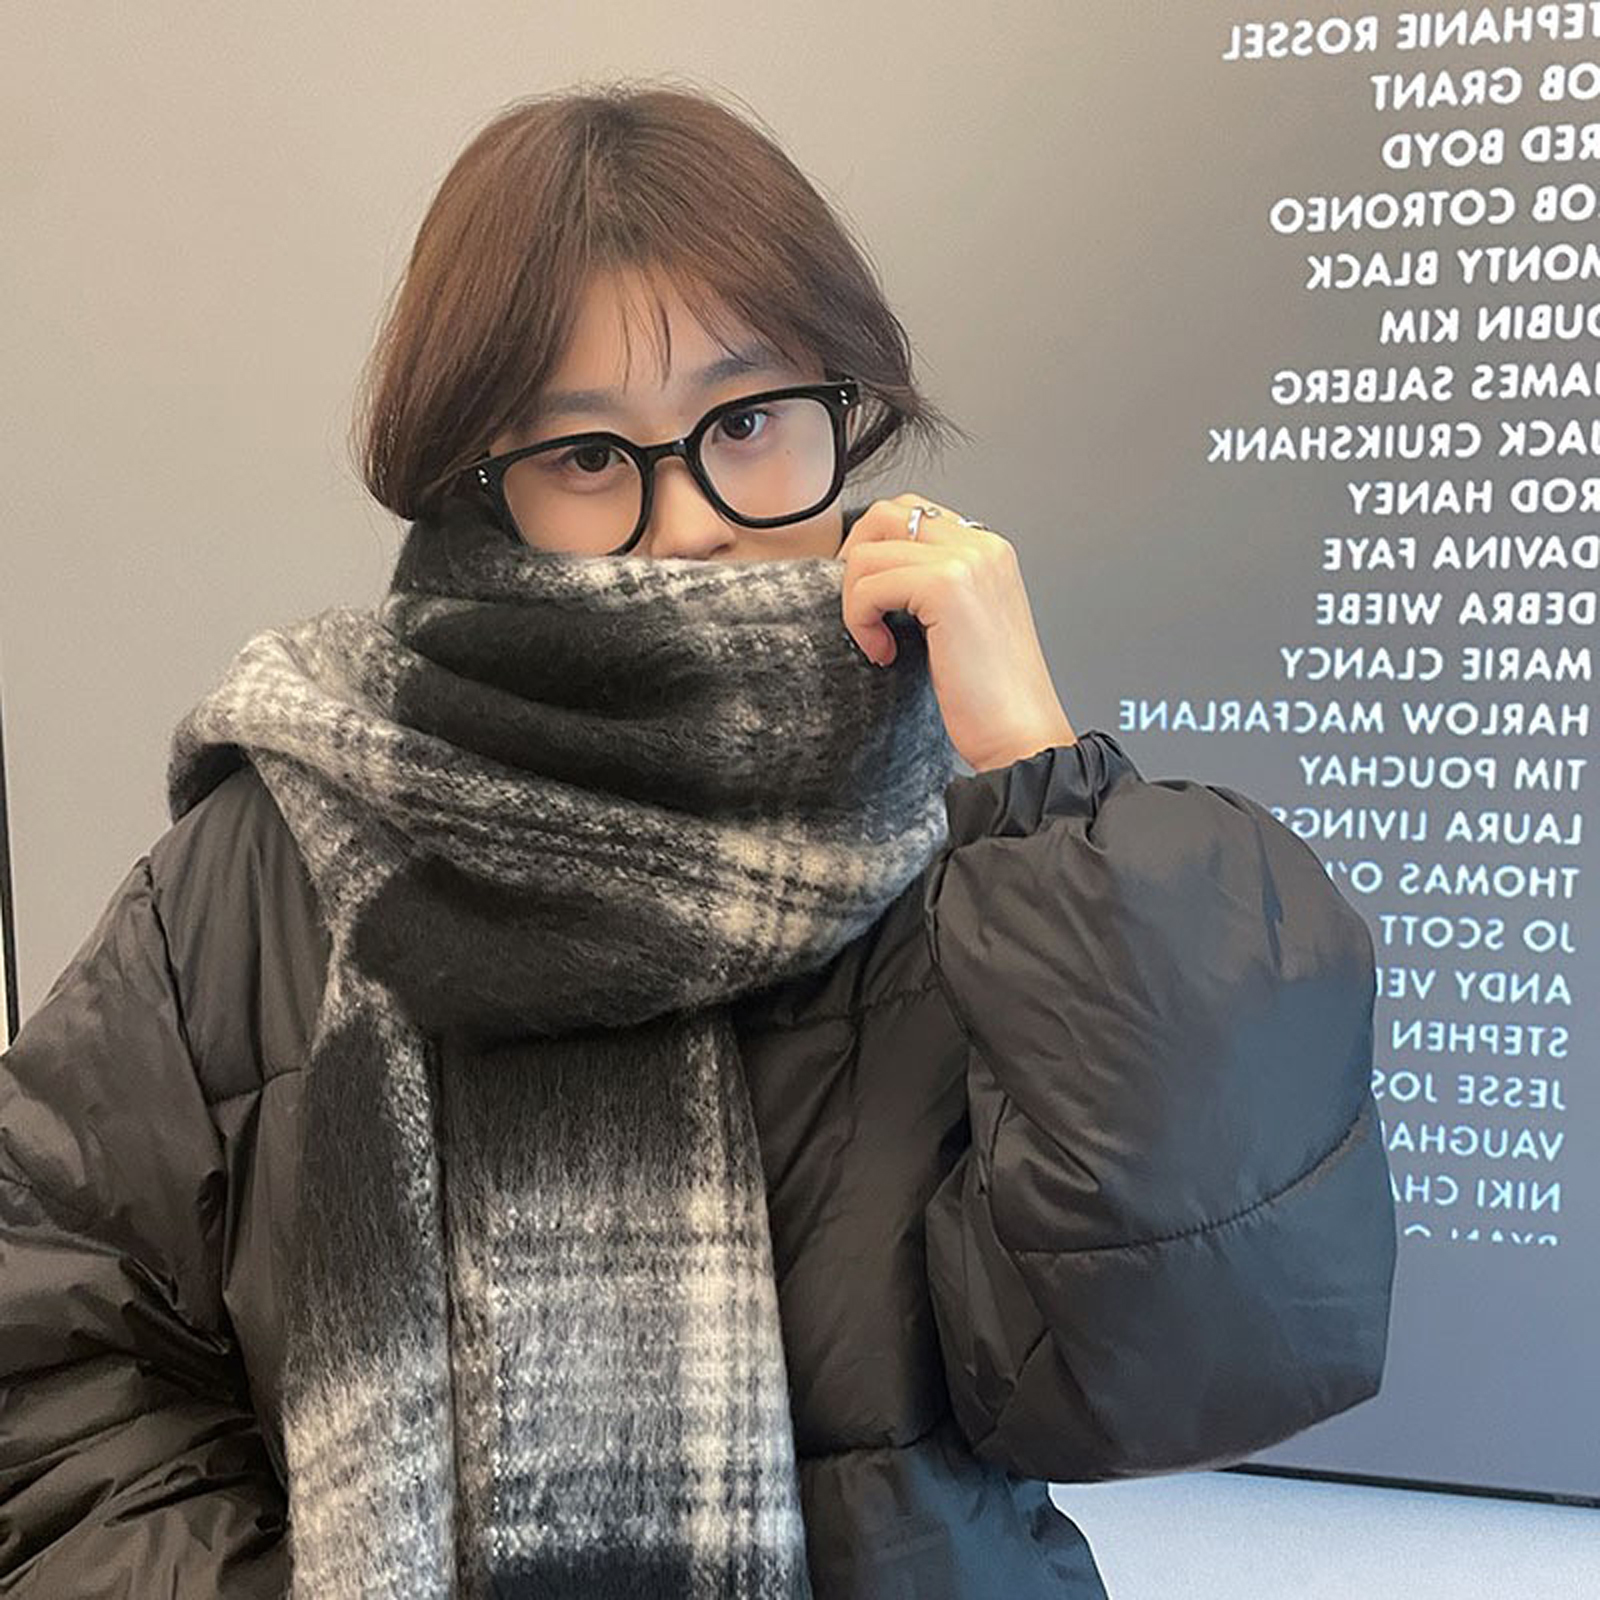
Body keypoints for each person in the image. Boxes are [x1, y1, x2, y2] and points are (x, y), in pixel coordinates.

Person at [0, 80, 1398, 1599]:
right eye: (587, 454)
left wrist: (1041, 776)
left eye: (745, 422)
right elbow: (50, 1361)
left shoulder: (984, 866)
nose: (689, 525)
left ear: (843, 413)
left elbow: (1202, 1359)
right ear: (481, 489)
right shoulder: (280, 852)